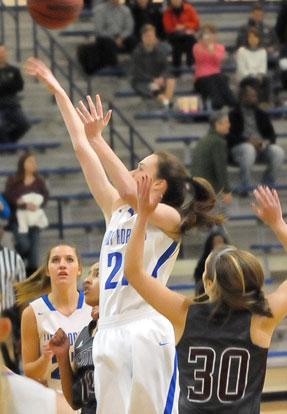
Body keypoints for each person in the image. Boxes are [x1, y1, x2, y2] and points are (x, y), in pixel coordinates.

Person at [24, 56, 223, 414]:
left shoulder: (170, 220)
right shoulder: (116, 209)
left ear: (159, 184)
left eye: (140, 167)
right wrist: (58, 92)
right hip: (109, 331)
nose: (131, 170)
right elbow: (83, 149)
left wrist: (100, 141)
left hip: (146, 329)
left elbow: (129, 187)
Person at [124, 177, 287, 414]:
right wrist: (278, 223)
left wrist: (142, 216)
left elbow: (134, 272)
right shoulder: (261, 318)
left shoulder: (183, 313)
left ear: (208, 283)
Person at [14, 243, 92, 413]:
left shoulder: (92, 306)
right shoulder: (32, 313)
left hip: (88, 401)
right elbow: (29, 373)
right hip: (51, 402)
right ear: (48, 270)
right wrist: (45, 358)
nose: (62, 264)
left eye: (69, 259)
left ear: (79, 269)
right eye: (55, 260)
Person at [48, 262, 99, 414]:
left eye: (97, 274)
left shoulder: (122, 328)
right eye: (88, 273)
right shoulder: (85, 333)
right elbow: (75, 400)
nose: (87, 280)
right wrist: (62, 356)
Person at [227, 84, 285, 195]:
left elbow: (271, 135)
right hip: (240, 148)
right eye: (252, 96)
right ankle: (246, 188)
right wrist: (248, 141)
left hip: (261, 146)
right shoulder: (233, 114)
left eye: (255, 96)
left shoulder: (261, 114)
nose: (255, 99)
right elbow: (231, 137)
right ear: (243, 97)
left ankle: (266, 186)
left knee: (278, 152)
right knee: (248, 149)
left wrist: (264, 143)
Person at [3, 152, 49, 275]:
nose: (33, 164)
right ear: (23, 164)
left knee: (34, 256)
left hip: (34, 220)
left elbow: (45, 196)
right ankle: (16, 261)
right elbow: (8, 196)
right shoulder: (14, 180)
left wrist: (37, 204)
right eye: (30, 161)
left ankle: (30, 281)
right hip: (18, 219)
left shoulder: (39, 181)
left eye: (34, 162)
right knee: (24, 245)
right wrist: (23, 204)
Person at [191, 108, 232, 205]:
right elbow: (220, 168)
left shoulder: (204, 139)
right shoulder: (218, 142)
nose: (229, 125)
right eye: (226, 122)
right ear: (218, 124)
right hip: (210, 189)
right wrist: (226, 191)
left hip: (198, 187)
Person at [0, 223, 26, 374]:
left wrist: (23, 334)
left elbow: (22, 298)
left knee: (11, 370)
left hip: (9, 318)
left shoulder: (14, 259)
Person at [130, 24, 176, 108]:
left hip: (159, 78)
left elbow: (166, 67)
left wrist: (162, 77)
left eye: (151, 35)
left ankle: (166, 102)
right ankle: (166, 103)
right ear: (142, 37)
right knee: (153, 86)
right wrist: (153, 79)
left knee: (171, 80)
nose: (149, 38)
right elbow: (138, 72)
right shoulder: (137, 53)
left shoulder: (160, 51)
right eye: (147, 36)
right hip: (142, 81)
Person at [193, 24, 236, 110]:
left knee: (220, 78)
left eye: (210, 33)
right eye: (206, 33)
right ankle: (219, 102)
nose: (208, 36)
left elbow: (218, 60)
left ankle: (231, 100)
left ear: (214, 35)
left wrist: (211, 49)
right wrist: (204, 46)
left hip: (216, 77)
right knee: (213, 79)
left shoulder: (220, 47)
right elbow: (199, 59)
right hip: (202, 78)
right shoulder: (197, 47)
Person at [0, 43, 30, 144]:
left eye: (3, 52)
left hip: (12, 105)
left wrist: (4, 86)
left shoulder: (14, 70)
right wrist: (8, 86)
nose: (2, 55)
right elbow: (12, 86)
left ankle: (8, 144)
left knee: (25, 124)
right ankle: (8, 146)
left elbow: (19, 86)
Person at [93, 0, 136, 67]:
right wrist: (114, 39)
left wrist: (121, 38)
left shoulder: (126, 10)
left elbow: (129, 28)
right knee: (108, 42)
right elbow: (99, 30)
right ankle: (114, 67)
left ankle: (137, 65)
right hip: (105, 38)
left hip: (121, 36)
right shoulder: (99, 10)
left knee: (133, 41)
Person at [236, 27, 270, 104]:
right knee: (253, 81)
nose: (253, 39)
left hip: (258, 76)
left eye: (255, 37)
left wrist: (259, 75)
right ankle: (256, 103)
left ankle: (265, 103)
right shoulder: (241, 51)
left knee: (267, 80)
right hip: (244, 77)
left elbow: (262, 68)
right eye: (250, 37)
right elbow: (241, 69)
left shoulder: (262, 51)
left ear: (258, 39)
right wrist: (253, 76)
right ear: (247, 39)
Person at [163, 0, 199, 68]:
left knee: (191, 40)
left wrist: (184, 26)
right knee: (177, 45)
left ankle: (190, 64)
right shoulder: (167, 11)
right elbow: (167, 27)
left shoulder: (189, 8)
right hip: (174, 35)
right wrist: (175, 28)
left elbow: (196, 23)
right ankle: (177, 69)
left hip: (187, 35)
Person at [193, 229, 229, 295]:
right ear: (211, 245)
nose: (219, 245)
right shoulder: (203, 264)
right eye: (217, 242)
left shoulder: (231, 263)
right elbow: (199, 287)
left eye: (221, 242)